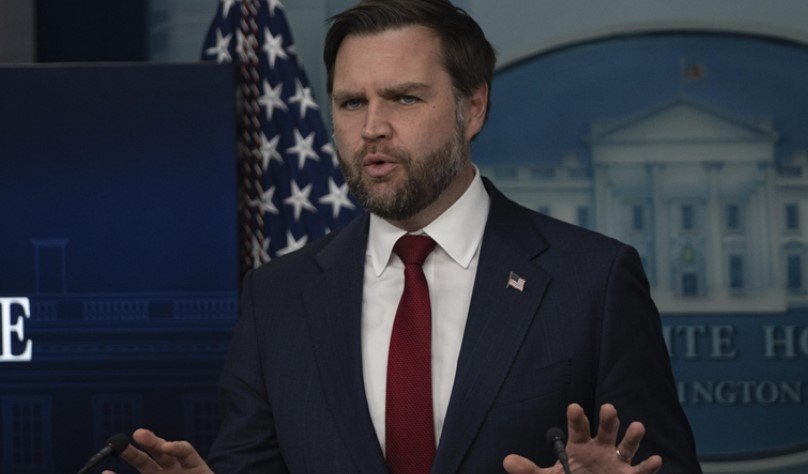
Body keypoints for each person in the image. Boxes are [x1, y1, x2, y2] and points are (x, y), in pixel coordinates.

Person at [113, 0, 701, 472]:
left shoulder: (592, 281)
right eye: (351, 102)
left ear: (473, 108)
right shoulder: (277, 297)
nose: (372, 127)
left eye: (404, 98)